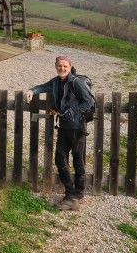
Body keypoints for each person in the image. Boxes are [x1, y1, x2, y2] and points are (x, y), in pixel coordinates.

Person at [26, 55, 93, 210]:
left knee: (78, 161)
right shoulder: (56, 82)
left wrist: (74, 112)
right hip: (63, 127)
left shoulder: (76, 82)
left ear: (70, 67)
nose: (62, 68)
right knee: (60, 160)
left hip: (77, 128)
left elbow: (88, 101)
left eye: (65, 66)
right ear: (56, 66)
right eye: (59, 66)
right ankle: (72, 194)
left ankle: (78, 195)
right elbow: (43, 87)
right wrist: (31, 90)